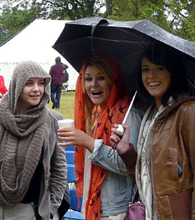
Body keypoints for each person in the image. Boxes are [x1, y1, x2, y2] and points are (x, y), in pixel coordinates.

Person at [111, 44, 195, 220]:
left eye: (159, 68)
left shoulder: (192, 111)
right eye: (145, 69)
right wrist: (128, 153)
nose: (151, 76)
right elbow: (147, 178)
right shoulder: (150, 115)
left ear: (173, 72)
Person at [0, 61, 67, 220]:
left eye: (41, 83)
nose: (36, 89)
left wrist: (50, 209)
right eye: (29, 83)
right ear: (17, 85)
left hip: (27, 210)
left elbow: (59, 171)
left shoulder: (52, 120)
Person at [58, 55, 143, 220]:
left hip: (118, 211)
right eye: (88, 79)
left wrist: (88, 142)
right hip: (96, 206)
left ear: (113, 80)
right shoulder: (98, 112)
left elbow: (129, 166)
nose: (93, 84)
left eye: (101, 78)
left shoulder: (128, 114)